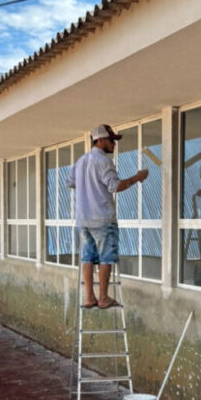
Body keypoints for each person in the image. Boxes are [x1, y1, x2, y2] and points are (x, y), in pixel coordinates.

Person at [68, 124, 148, 308]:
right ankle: (103, 298)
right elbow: (114, 186)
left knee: (87, 258)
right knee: (106, 258)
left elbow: (70, 182)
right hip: (102, 218)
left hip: (83, 219)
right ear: (101, 140)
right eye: (111, 140)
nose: (114, 144)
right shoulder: (103, 161)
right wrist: (137, 177)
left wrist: (87, 185)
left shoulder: (80, 162)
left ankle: (89, 298)